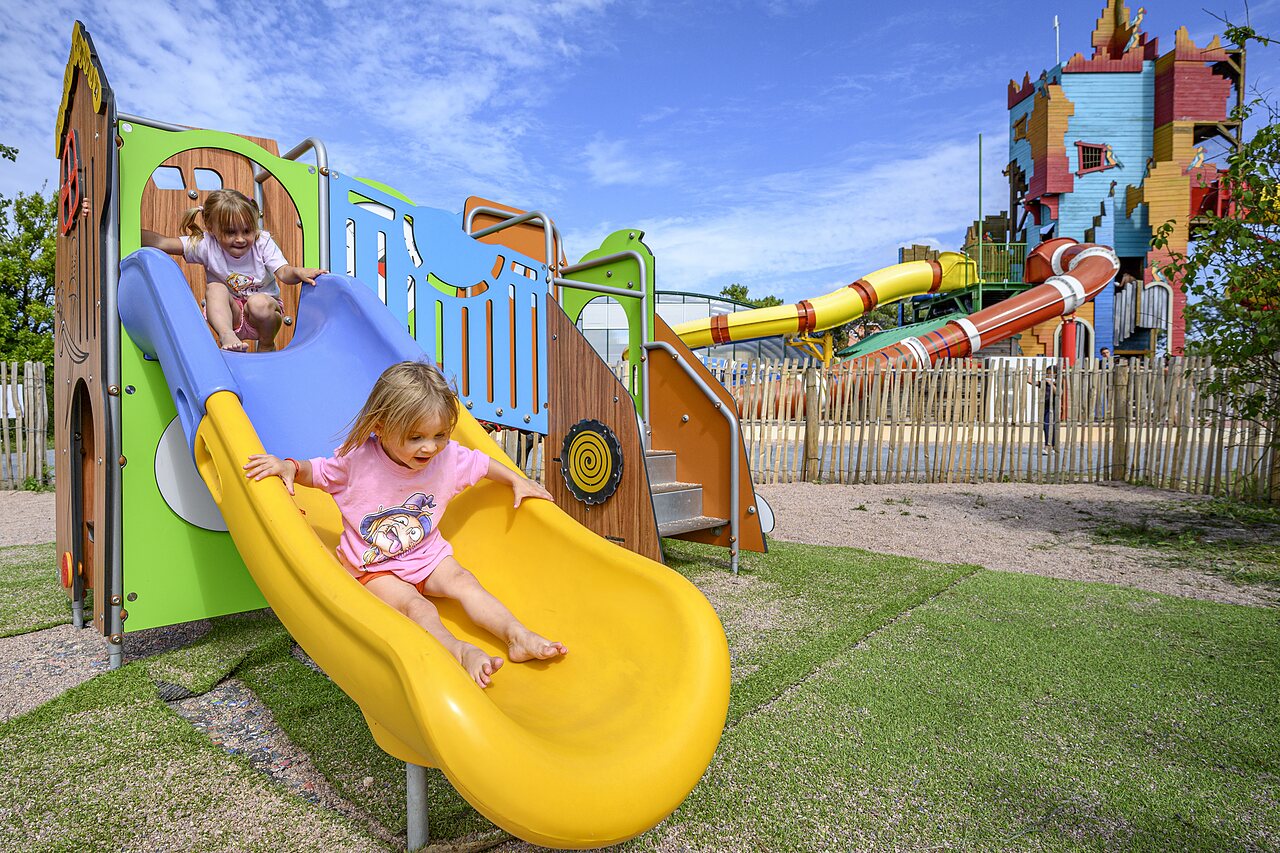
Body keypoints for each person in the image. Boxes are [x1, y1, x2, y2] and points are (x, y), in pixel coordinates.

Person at [243, 360, 566, 687]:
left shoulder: (445, 458)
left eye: (440, 435)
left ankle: (516, 635)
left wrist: (516, 479)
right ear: (380, 427)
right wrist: (289, 466)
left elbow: (482, 463)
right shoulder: (358, 462)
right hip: (375, 567)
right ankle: (457, 651)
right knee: (417, 607)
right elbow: (320, 472)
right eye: (416, 437)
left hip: (426, 555)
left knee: (465, 582)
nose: (430, 447)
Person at [141, 189, 326, 352]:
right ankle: (226, 335)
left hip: (263, 316)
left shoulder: (262, 242)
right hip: (230, 314)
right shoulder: (206, 244)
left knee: (258, 302)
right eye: (230, 232)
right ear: (211, 228)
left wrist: (298, 272)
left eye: (247, 231)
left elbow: (284, 272)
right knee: (215, 288)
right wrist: (126, 231)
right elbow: (162, 242)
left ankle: (267, 343)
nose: (240, 239)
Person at [1027, 363, 1059, 454]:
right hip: (1045, 407)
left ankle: (1049, 446)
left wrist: (1051, 384)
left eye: (1050, 373)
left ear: (1055, 374)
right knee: (1046, 426)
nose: (1048, 375)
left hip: (1053, 407)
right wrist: (1031, 371)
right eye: (1047, 373)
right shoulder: (1044, 383)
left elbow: (1059, 393)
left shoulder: (1058, 382)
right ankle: (1050, 446)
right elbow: (1030, 381)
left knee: (1050, 426)